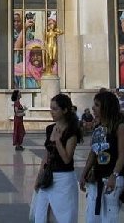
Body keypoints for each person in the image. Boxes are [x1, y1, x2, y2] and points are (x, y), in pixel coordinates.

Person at [80, 91, 124, 222]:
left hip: (113, 176)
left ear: (106, 107)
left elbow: (122, 154)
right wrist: (84, 173)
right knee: (91, 216)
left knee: (109, 216)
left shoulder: (119, 127)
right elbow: (93, 152)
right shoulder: (98, 127)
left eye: (97, 105)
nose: (93, 108)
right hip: (97, 176)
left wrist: (114, 176)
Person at [33, 93, 82, 223]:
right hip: (48, 176)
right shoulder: (50, 129)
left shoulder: (71, 131)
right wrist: (39, 176)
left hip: (63, 178)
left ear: (65, 110)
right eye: (51, 109)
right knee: (40, 215)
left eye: (55, 109)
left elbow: (67, 159)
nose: (52, 112)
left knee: (64, 217)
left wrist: (58, 141)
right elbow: (47, 154)